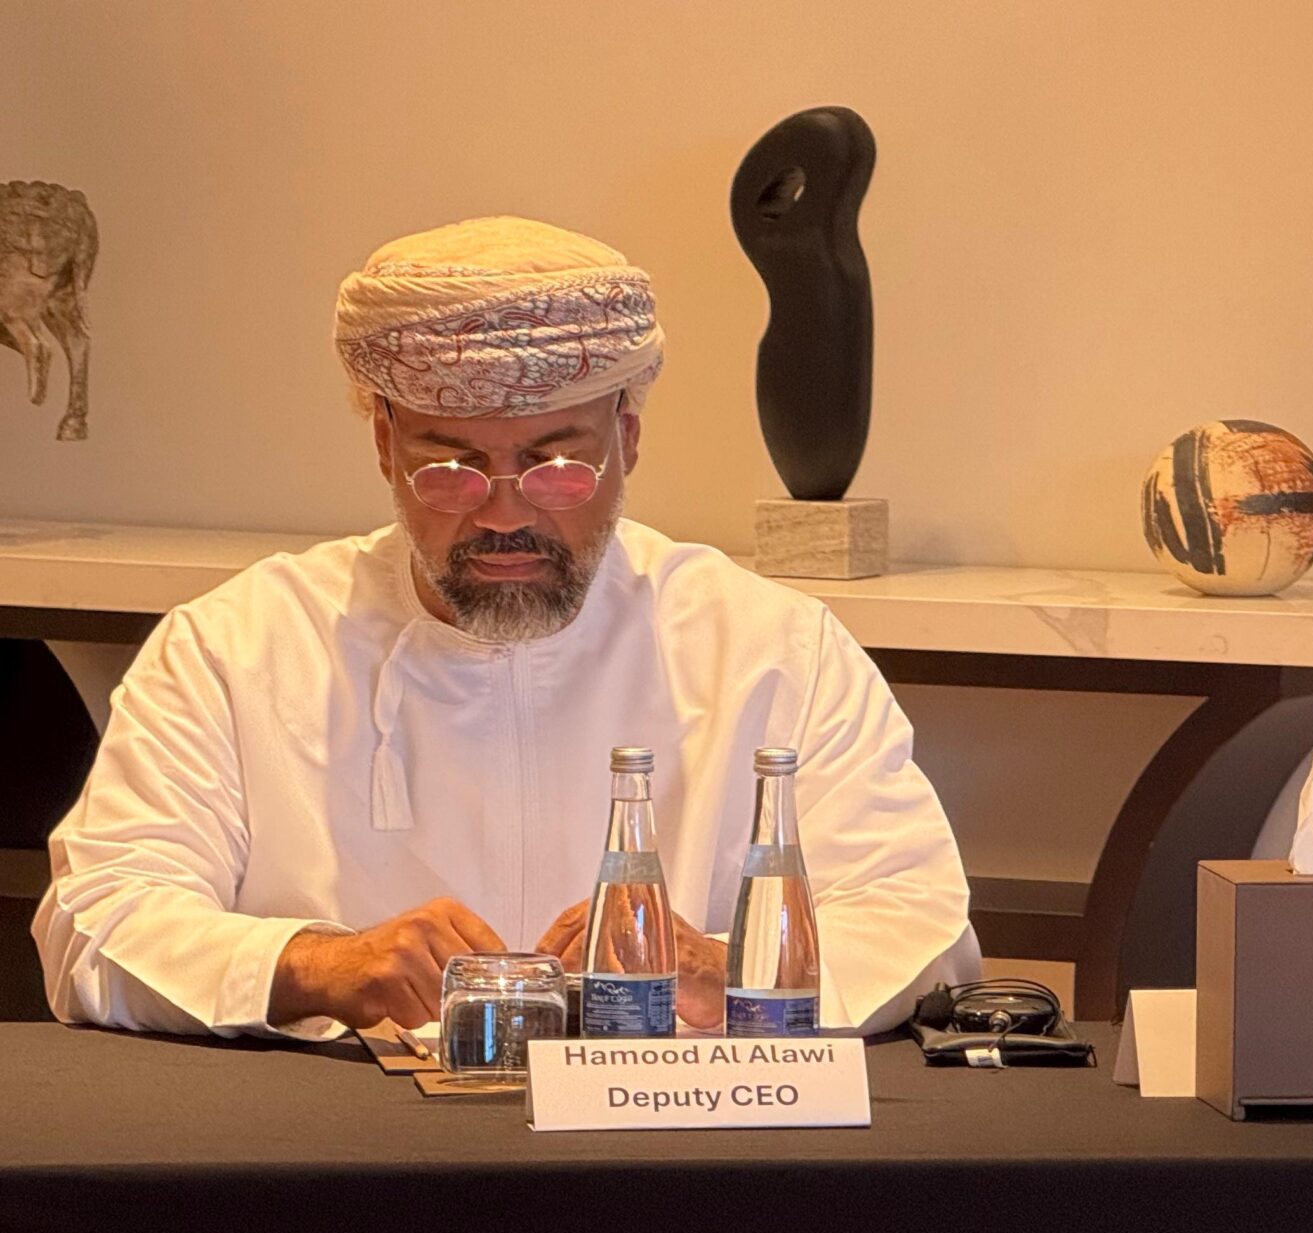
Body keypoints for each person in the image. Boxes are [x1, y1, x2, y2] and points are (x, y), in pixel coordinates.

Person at [36, 216, 975, 1039]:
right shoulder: (239, 647)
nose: (503, 512)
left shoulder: (770, 649)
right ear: (384, 444)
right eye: (449, 468)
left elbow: (919, 924)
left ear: (627, 439)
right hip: (342, 1148)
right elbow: (94, 921)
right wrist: (318, 967)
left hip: (670, 1143)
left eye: (555, 465)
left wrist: (723, 967)